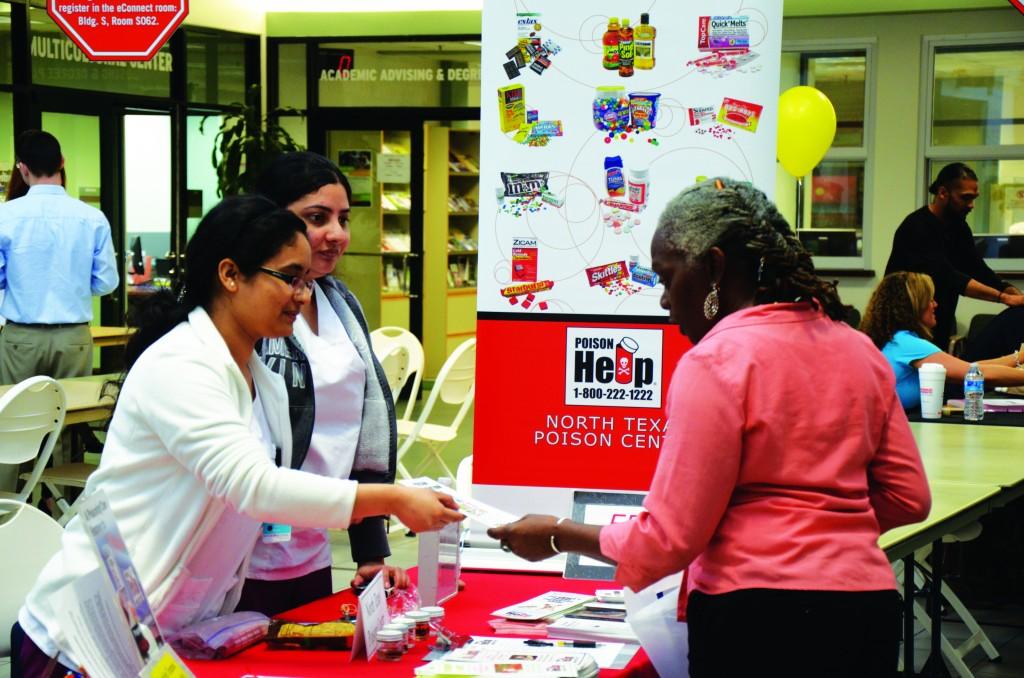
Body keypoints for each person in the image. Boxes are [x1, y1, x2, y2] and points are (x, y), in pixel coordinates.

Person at [489, 178, 931, 678]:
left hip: (756, 621)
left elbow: (668, 538)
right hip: (864, 610)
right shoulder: (859, 351)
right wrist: (828, 535)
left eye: (668, 277)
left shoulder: (717, 361)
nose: (663, 300)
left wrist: (556, 535)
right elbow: (909, 496)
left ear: (716, 267)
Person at [12, 195, 463, 678]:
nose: (302, 297)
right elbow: (254, 486)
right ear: (230, 275)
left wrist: (377, 531)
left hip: (170, 633)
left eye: (308, 282)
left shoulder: (257, 375)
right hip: (83, 638)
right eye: (289, 279)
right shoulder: (182, 364)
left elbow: (279, 484)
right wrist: (391, 499)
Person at [235, 151, 404, 616]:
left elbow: (363, 431)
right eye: (317, 218)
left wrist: (370, 551)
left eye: (343, 219)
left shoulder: (339, 301)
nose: (338, 234)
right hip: (242, 557)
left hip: (310, 550)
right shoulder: (248, 317)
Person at [0, 130, 118, 492]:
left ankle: (8, 512)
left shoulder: (6, 216)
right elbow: (107, 283)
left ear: (22, 169)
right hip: (74, 338)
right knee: (69, 426)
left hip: (20, 337)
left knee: (13, 425)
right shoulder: (92, 218)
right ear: (62, 163)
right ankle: (66, 510)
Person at [885, 162, 1024, 352]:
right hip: (904, 327)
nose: (971, 205)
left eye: (974, 198)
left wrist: (1011, 291)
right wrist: (1002, 298)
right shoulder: (917, 227)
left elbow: (976, 268)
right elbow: (948, 277)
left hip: (938, 322)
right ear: (943, 193)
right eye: (965, 198)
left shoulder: (959, 227)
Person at [861, 271, 1024, 409]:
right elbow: (977, 373)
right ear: (914, 305)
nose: (935, 304)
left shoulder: (895, 339)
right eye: (930, 299)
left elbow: (970, 368)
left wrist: (1018, 358)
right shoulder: (908, 344)